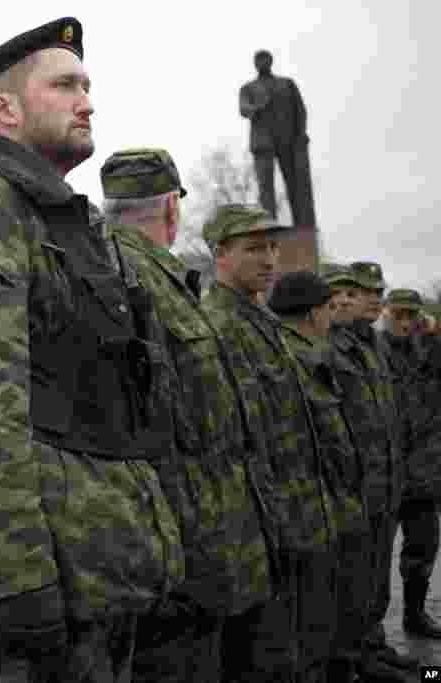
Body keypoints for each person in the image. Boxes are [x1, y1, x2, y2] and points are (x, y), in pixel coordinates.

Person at [0, 18, 184, 682]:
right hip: (39, 600)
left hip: (98, 576)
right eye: (64, 86)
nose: (87, 100)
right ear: (5, 110)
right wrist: (14, 584)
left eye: (86, 85)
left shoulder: (66, 221)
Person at [99, 149, 274, 682]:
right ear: (172, 209)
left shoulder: (144, 277)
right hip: (180, 557)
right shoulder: (130, 281)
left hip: (186, 545)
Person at [201, 204, 334, 682]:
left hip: (294, 520)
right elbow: (231, 440)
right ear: (220, 254)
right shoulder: (215, 326)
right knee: (265, 662)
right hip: (258, 530)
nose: (269, 258)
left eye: (273, 247)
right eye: (254, 248)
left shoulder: (261, 319)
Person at [267, 270, 370, 682]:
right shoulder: (295, 360)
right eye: (330, 307)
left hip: (320, 511)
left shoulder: (306, 354)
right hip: (307, 515)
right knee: (309, 632)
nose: (335, 315)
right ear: (313, 313)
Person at [323, 263, 415, 681]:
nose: (375, 298)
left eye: (379, 290)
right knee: (353, 582)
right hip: (355, 484)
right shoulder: (330, 345)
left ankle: (373, 648)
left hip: (386, 480)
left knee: (376, 577)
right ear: (341, 296)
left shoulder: (373, 344)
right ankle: (350, 658)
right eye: (365, 291)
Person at [382, 288, 441, 639]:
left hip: (423, 473)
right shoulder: (371, 350)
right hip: (384, 473)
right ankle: (368, 633)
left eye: (412, 315)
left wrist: (434, 333)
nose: (405, 322)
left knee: (423, 550)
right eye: (399, 315)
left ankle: (415, 615)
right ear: (387, 313)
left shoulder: (430, 350)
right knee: (372, 563)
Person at [239, 49, 315, 226]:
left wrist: (301, 133)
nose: (261, 63)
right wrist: (256, 108)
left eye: (264, 59)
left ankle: (302, 225)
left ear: (270, 61)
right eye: (258, 60)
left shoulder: (287, 84)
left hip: (288, 141)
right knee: (265, 188)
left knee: (295, 186)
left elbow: (300, 110)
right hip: (263, 143)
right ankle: (270, 226)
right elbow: (244, 108)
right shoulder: (249, 88)